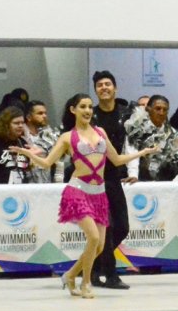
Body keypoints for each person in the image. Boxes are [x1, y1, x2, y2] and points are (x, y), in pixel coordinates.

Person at [11, 94, 158, 298]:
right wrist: (27, 154)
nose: (88, 110)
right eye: (83, 106)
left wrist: (141, 153)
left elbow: (116, 159)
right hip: (78, 191)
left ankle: (71, 275)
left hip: (99, 194)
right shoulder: (66, 137)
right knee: (94, 238)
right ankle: (86, 282)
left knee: (98, 247)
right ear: (73, 110)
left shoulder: (100, 132)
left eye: (90, 106)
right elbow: (46, 163)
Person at [90, 70, 133, 290]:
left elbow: (133, 142)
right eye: (99, 85)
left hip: (115, 177)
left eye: (108, 84)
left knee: (123, 227)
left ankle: (93, 266)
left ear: (115, 88)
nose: (104, 87)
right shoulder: (91, 115)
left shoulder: (127, 114)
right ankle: (111, 274)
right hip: (94, 178)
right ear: (95, 90)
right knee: (104, 227)